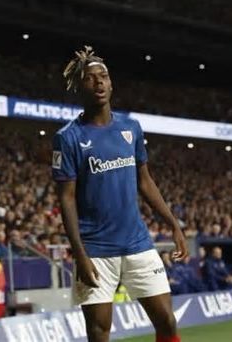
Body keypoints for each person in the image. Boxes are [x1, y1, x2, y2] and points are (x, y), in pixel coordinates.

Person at [53, 46, 188, 342]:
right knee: (99, 332)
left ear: (112, 83)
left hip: (138, 243)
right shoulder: (68, 137)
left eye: (104, 76)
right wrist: (79, 254)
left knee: (167, 321)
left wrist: (173, 223)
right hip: (96, 250)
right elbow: (66, 199)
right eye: (90, 78)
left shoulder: (131, 127)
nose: (99, 82)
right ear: (79, 86)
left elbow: (145, 181)